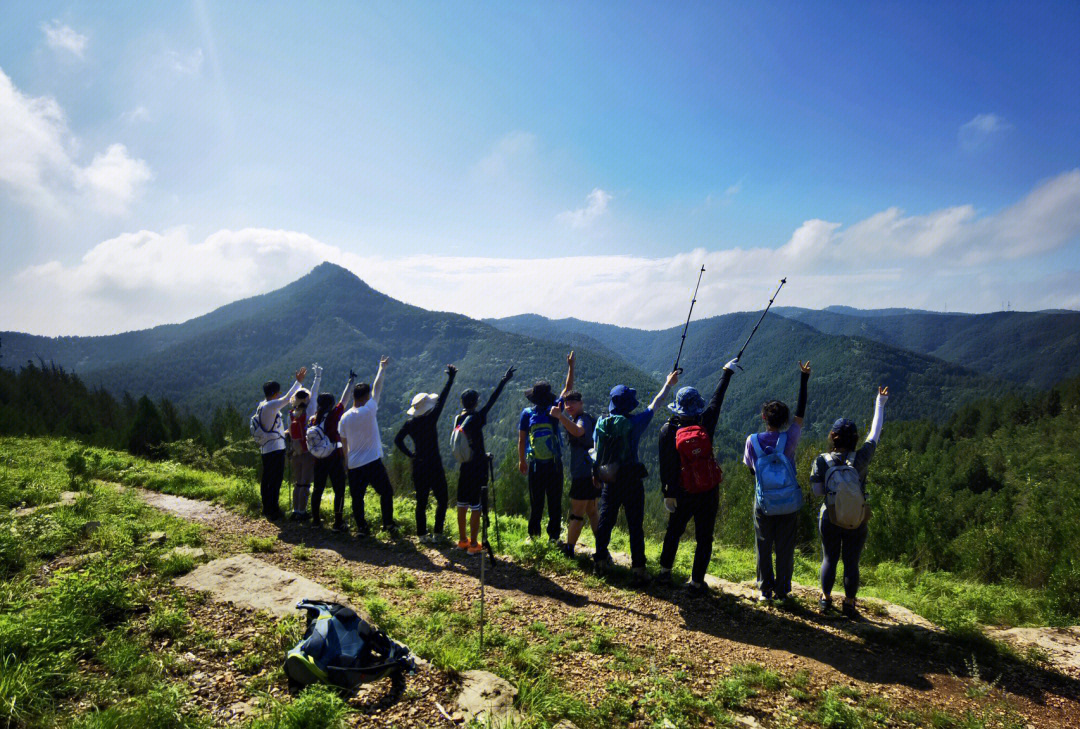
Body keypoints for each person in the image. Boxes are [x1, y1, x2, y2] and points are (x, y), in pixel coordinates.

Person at [656, 356, 740, 593]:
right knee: (705, 537)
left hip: (682, 491)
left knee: (674, 531)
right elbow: (717, 399)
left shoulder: (668, 430)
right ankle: (696, 581)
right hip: (708, 490)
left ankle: (664, 573)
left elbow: (667, 466)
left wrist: (668, 493)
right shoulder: (706, 422)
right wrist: (726, 372)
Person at [592, 370, 680, 585]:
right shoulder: (635, 423)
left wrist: (596, 476)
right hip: (631, 479)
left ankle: (600, 561)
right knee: (635, 525)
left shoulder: (601, 424)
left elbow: (596, 451)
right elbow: (656, 403)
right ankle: (639, 569)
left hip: (609, 479)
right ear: (630, 404)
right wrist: (669, 384)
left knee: (605, 521)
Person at [810, 386, 889, 618]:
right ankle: (850, 603)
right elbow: (875, 433)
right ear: (855, 438)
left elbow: (817, 492)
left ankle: (825, 599)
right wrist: (880, 403)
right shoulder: (862, 458)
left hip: (831, 515)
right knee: (851, 562)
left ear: (832, 437)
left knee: (829, 558)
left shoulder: (822, 461)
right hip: (857, 516)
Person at [743, 361, 811, 603]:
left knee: (763, 545)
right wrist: (804, 378)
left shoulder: (752, 441)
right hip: (789, 503)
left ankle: (765, 591)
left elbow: (752, 469)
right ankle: (783, 591)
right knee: (785, 547)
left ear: (763, 418)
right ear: (785, 421)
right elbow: (801, 414)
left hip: (764, 503)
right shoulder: (790, 437)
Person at [394, 364, 457, 543]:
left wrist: (411, 454)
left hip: (418, 464)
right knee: (442, 499)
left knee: (421, 501)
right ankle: (438, 533)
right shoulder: (430, 419)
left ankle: (422, 535)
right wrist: (451, 379)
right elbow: (442, 399)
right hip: (434, 464)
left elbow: (398, 441)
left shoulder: (410, 424)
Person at [455, 366, 515, 553]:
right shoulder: (477, 417)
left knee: (461, 504)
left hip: (464, 466)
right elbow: (492, 401)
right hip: (478, 468)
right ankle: (474, 544)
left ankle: (462, 540)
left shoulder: (459, 418)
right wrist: (503, 381)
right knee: (476, 506)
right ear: (475, 402)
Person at [517, 353, 575, 543]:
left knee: (537, 502)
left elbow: (522, 439)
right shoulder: (554, 409)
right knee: (554, 501)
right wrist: (570, 366)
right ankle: (554, 537)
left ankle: (533, 536)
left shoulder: (527, 414)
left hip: (535, 464)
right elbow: (568, 389)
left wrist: (522, 460)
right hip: (554, 464)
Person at [339, 356, 397, 537]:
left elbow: (344, 443)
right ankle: (388, 524)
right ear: (365, 397)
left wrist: (346, 464)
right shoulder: (369, 409)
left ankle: (362, 528)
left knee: (358, 498)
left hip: (354, 463)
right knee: (386, 492)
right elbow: (377, 387)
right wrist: (382, 368)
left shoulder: (345, 417)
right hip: (372, 461)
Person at [252, 366, 307, 520]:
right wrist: (298, 382)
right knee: (275, 479)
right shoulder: (270, 405)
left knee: (267, 478)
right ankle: (273, 509)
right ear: (276, 393)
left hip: (267, 447)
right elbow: (286, 399)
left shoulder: (262, 405)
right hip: (275, 449)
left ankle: (267, 507)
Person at [550, 386, 597, 557]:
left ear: (581, 403)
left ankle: (569, 549)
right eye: (566, 403)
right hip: (592, 472)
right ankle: (602, 549)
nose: (569, 406)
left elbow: (578, 431)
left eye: (573, 403)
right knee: (592, 512)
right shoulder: (585, 418)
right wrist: (571, 367)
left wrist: (560, 416)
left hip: (583, 473)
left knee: (577, 514)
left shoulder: (582, 419)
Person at [309, 369, 357, 530]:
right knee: (339, 490)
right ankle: (338, 522)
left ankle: (315, 520)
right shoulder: (335, 414)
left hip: (318, 459)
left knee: (318, 489)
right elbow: (345, 399)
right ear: (331, 403)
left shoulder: (314, 419)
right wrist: (350, 382)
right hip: (335, 457)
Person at [287, 364, 322, 521]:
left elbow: (288, 431)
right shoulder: (308, 412)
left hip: (295, 452)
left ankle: (295, 510)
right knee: (305, 483)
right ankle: (302, 511)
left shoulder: (291, 414)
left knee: (297, 483)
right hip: (307, 452)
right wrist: (317, 377)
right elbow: (314, 394)